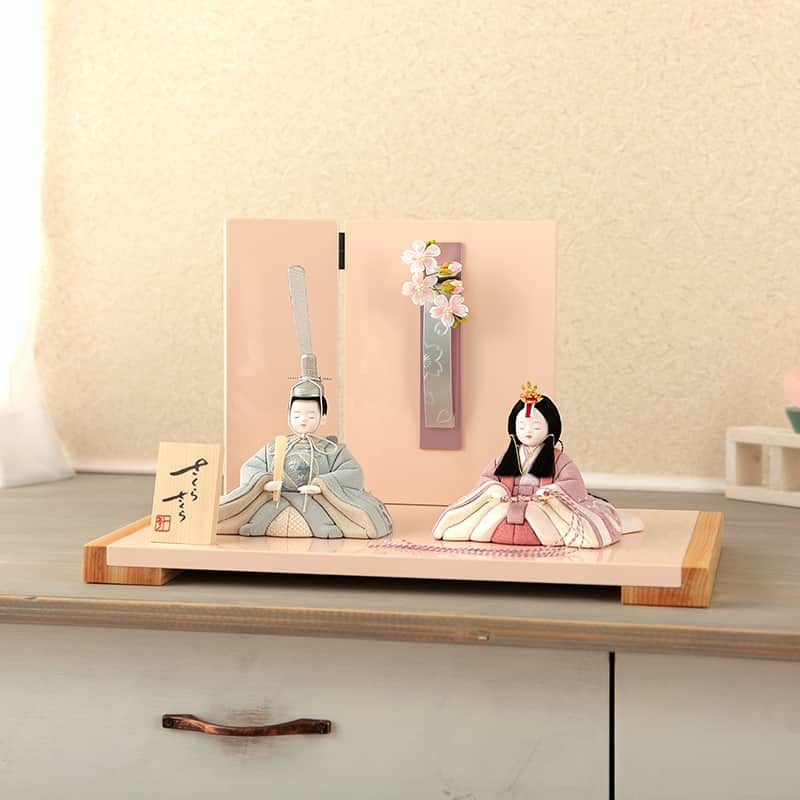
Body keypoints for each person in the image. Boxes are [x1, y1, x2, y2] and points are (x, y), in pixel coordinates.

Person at [432, 382, 641, 548]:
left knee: (539, 518)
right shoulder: (504, 458)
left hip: (545, 507)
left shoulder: (559, 460)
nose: (528, 431)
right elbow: (487, 479)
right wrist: (495, 489)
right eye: (522, 425)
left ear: (550, 427)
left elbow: (573, 484)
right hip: (508, 504)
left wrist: (551, 492)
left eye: (536, 426)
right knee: (485, 522)